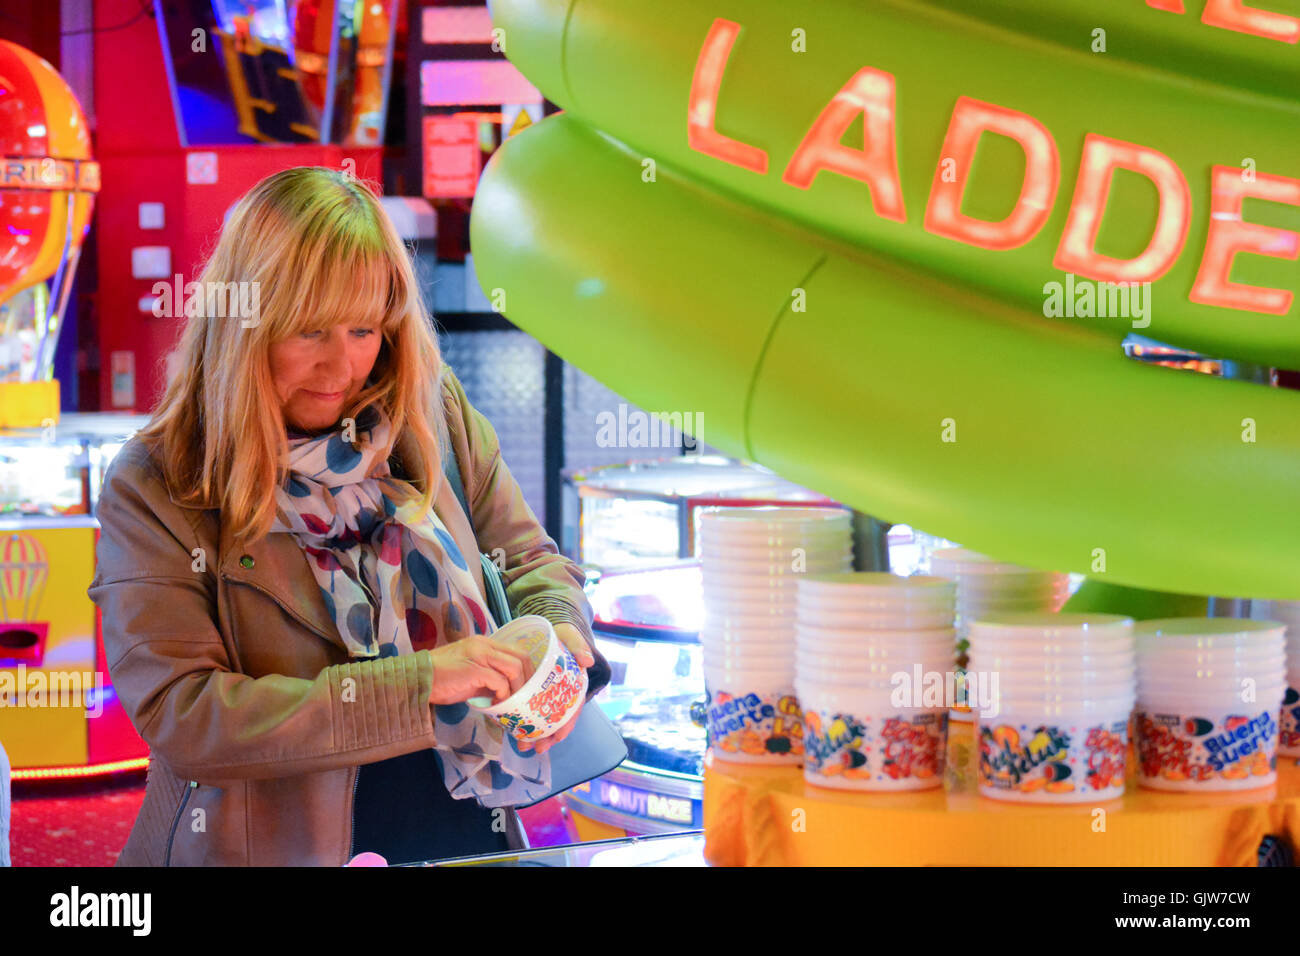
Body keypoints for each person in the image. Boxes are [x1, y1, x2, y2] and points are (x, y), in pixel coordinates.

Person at [88, 166, 609, 866]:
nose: (344, 366)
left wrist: (556, 641)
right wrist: (420, 684)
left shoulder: (434, 414)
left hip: (466, 833)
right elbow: (189, 717)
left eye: (366, 328)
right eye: (310, 331)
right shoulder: (158, 483)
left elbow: (531, 562)